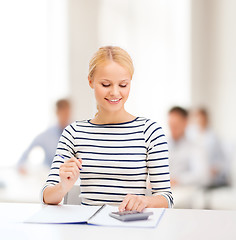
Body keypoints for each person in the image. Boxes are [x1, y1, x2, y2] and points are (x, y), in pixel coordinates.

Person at [42, 46, 173, 211]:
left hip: (132, 229)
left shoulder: (150, 132)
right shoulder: (73, 133)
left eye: (123, 85)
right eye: (106, 84)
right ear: (90, 81)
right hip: (88, 231)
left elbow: (166, 198)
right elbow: (47, 196)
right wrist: (63, 186)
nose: (115, 92)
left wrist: (145, 201)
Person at [18, 99, 71, 174]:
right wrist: (21, 166)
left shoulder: (76, 132)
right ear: (57, 112)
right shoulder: (46, 135)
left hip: (72, 178)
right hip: (50, 177)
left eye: (67, 113)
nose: (65, 116)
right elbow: (23, 158)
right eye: (63, 113)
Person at [168, 106, 209, 187]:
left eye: (175, 125)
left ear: (185, 123)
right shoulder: (162, 145)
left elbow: (202, 175)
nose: (172, 129)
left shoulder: (195, 147)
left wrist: (177, 180)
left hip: (184, 192)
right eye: (170, 125)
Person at [187, 108, 228, 188]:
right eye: (198, 118)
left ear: (206, 119)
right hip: (195, 175)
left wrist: (215, 168)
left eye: (202, 118)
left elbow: (222, 159)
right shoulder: (191, 134)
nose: (200, 120)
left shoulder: (213, 137)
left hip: (210, 175)